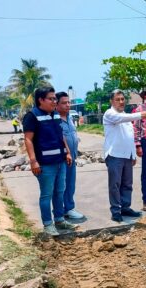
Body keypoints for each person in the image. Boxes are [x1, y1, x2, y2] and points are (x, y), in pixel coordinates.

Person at [22, 86, 77, 236]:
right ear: (41, 100)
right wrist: (33, 161)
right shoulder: (32, 116)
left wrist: (67, 152)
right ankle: (48, 224)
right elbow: (28, 139)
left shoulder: (55, 114)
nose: (54, 101)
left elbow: (61, 135)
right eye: (51, 98)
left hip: (60, 161)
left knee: (60, 192)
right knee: (46, 194)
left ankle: (59, 220)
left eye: (55, 99)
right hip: (45, 165)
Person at [103, 89, 146, 222]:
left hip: (126, 156)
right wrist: (139, 115)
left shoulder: (125, 116)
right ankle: (115, 211)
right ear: (111, 101)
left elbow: (129, 136)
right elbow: (120, 119)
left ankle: (125, 207)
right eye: (118, 99)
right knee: (115, 185)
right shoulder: (110, 114)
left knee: (127, 184)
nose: (121, 102)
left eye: (123, 99)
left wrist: (133, 154)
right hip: (114, 155)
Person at [55, 91, 85, 220]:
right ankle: (59, 210)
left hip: (72, 157)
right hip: (61, 158)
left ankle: (69, 208)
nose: (68, 105)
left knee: (70, 184)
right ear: (56, 105)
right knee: (61, 186)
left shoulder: (70, 118)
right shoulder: (55, 120)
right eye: (64, 103)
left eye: (69, 102)